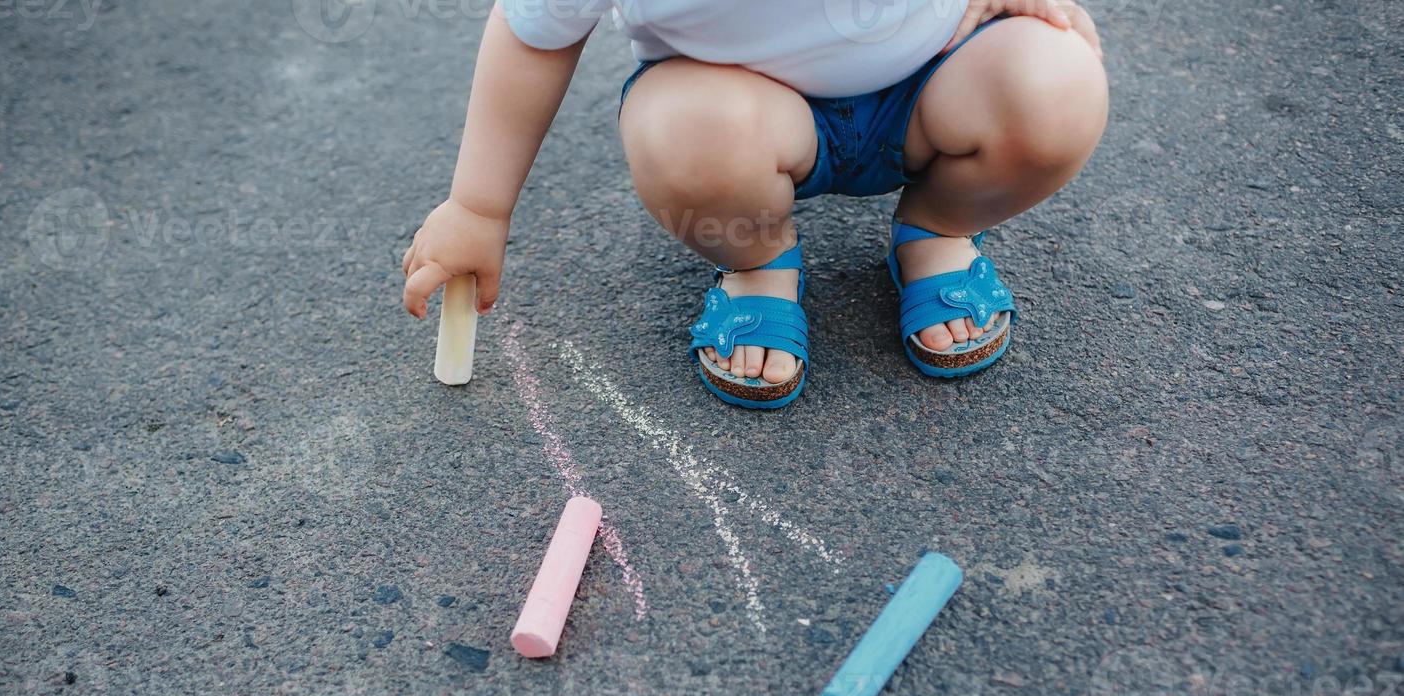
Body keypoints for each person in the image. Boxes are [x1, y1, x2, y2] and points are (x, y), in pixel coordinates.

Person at [402, 0, 1108, 408]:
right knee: (684, 137)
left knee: (1054, 83)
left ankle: (941, 227)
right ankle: (756, 260)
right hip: (736, 114)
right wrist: (479, 206)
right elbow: (532, 37)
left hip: (934, 80)